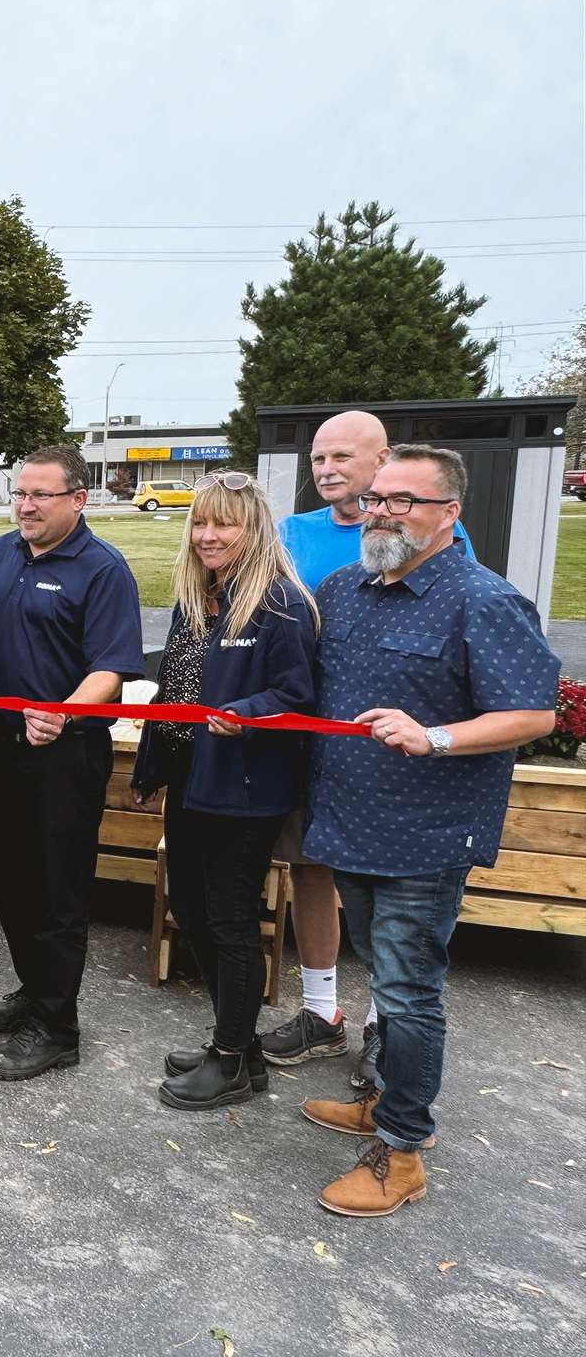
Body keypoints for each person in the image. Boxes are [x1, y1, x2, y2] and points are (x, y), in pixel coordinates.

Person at [297, 445, 557, 1218]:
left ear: (450, 514)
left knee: (408, 994)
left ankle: (403, 1150)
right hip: (350, 824)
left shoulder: (483, 600)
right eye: (377, 499)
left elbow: (533, 714)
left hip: (427, 836)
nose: (381, 513)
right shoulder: (344, 590)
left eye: (403, 501)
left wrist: (434, 735)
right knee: (384, 976)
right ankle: (388, 1101)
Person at [269, 410, 475, 1088]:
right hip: (317, 741)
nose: (327, 469)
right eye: (318, 458)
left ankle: (384, 1026)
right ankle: (321, 1011)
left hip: (395, 756)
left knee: (389, 900)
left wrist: (433, 735)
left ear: (382, 460)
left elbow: (455, 628)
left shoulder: (434, 534)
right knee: (312, 871)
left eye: (342, 457)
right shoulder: (293, 532)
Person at [130, 473, 319, 1110]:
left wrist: (247, 712)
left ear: (253, 528)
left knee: (230, 920)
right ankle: (238, 1044)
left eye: (224, 524)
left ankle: (232, 1059)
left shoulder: (280, 603)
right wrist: (150, 767)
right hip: (191, 775)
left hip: (243, 784)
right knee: (190, 905)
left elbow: (298, 695)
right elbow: (174, 690)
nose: (208, 536)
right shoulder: (197, 597)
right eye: (201, 523)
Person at [0, 445, 145, 1081]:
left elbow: (111, 668)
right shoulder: (0, 554)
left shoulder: (103, 569)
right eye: (20, 493)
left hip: (64, 758)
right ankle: (36, 988)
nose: (25, 505)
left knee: (57, 892)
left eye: (40, 495)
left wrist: (63, 713)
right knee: (11, 882)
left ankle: (57, 1027)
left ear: (78, 499)